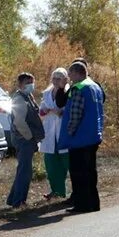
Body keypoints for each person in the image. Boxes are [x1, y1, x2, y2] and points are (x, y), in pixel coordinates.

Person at [58, 60, 105, 214]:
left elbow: (75, 114)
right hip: (93, 135)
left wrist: (69, 131)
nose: (69, 77)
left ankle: (82, 205)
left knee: (79, 173)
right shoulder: (95, 86)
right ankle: (94, 203)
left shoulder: (79, 88)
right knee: (91, 171)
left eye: (70, 73)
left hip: (80, 138)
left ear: (77, 73)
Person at [6, 72, 44, 207]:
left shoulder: (28, 96)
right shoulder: (19, 99)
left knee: (23, 170)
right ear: (20, 84)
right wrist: (30, 137)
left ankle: (13, 199)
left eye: (32, 82)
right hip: (24, 140)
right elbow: (19, 122)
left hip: (26, 139)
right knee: (25, 172)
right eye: (28, 83)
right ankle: (19, 202)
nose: (31, 85)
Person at [38, 68, 70, 201]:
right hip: (50, 132)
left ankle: (73, 192)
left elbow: (68, 111)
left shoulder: (69, 92)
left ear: (65, 79)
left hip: (63, 132)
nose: (56, 81)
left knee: (66, 163)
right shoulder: (46, 93)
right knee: (51, 164)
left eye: (59, 78)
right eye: (54, 78)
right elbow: (41, 112)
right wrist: (45, 110)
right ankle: (56, 191)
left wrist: (57, 111)